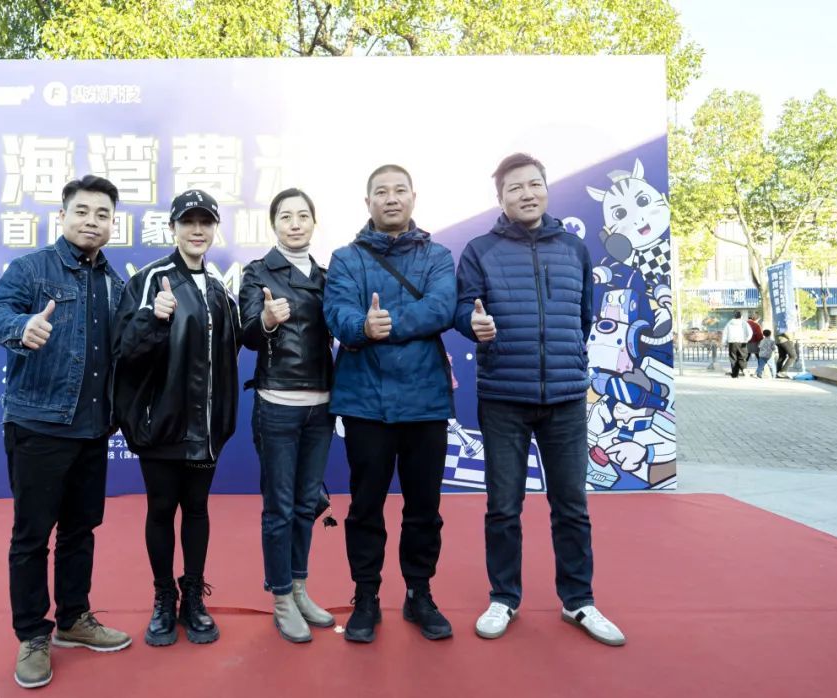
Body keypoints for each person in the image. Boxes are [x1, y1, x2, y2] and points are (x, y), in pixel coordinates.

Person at [454, 153, 625, 647]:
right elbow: (463, 309)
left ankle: (579, 600)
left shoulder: (573, 248)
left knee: (571, 506)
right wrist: (473, 324)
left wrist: (564, 360)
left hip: (566, 398)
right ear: (500, 198)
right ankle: (503, 597)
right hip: (503, 397)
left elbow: (583, 315)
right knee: (503, 507)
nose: (526, 194)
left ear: (546, 189)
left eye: (534, 184)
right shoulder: (480, 250)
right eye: (515, 188)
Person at [0, 175, 131, 689]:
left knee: (79, 530)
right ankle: (32, 634)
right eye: (82, 211)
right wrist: (21, 327)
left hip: (93, 428)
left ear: (112, 223)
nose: (92, 221)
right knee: (31, 536)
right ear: (62, 216)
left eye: (103, 214)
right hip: (38, 425)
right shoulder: (32, 268)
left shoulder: (114, 283)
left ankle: (73, 618)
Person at [323, 164, 456, 643]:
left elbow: (441, 308)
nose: (392, 198)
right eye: (382, 191)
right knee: (365, 507)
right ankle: (366, 596)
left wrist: (385, 326)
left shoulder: (438, 256)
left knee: (424, 507)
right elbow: (337, 311)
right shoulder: (345, 258)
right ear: (368, 203)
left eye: (400, 190)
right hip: (365, 403)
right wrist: (360, 326)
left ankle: (420, 593)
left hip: (425, 402)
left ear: (413, 198)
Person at [113, 189, 241, 647]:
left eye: (206, 222)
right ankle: (164, 598)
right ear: (173, 228)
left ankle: (193, 598)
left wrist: (265, 322)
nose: (197, 230)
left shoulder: (220, 289)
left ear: (214, 229)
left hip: (205, 431)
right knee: (162, 509)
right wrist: (152, 318)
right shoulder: (151, 280)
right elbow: (124, 352)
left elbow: (230, 352)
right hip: (161, 425)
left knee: (198, 509)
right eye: (189, 222)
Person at [239, 188, 336, 643]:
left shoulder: (327, 275)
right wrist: (267, 320)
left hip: (322, 405)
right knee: (279, 507)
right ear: (273, 224)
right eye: (285, 216)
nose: (295, 224)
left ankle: (299, 588)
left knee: (305, 504)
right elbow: (246, 334)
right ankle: (280, 597)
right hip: (277, 402)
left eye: (303, 216)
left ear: (314, 223)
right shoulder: (258, 272)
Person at [723, 311, 753, 378]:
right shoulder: (744, 323)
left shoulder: (729, 323)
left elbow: (725, 333)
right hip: (742, 342)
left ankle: (735, 374)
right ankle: (744, 369)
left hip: (732, 342)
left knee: (733, 358)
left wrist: (724, 342)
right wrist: (747, 339)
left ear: (734, 316)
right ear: (741, 316)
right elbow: (750, 332)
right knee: (742, 357)